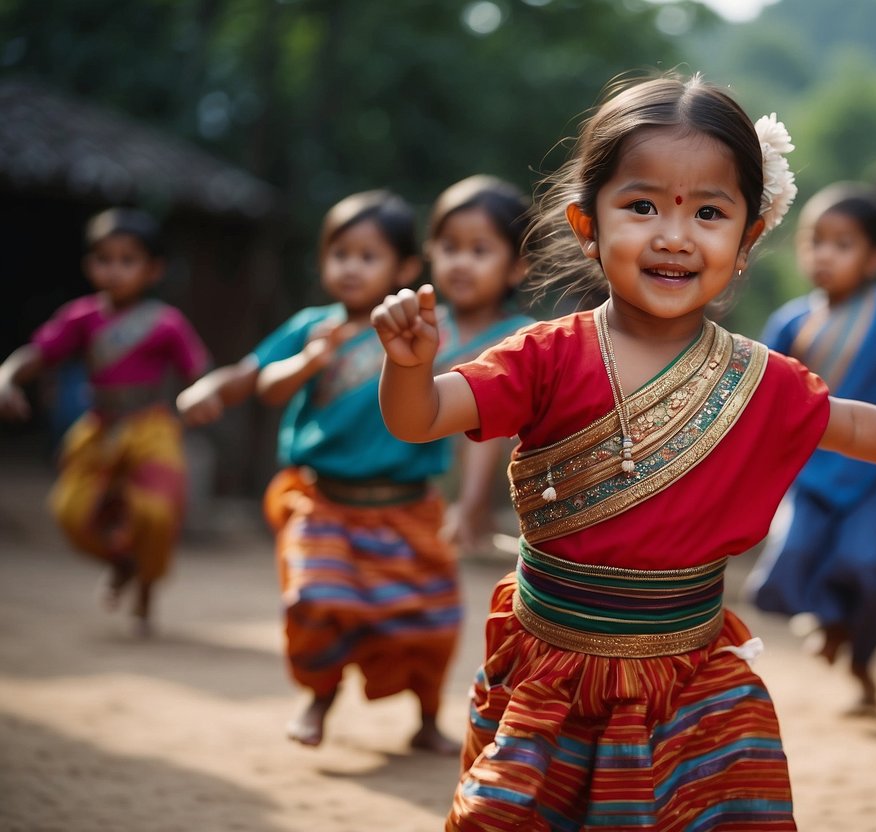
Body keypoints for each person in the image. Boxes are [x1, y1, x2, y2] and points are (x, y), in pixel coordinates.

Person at [371, 73, 876, 829]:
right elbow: (420, 419)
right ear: (586, 224)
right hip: (552, 680)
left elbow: (850, 425)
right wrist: (410, 366)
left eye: (709, 212)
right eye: (641, 206)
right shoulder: (541, 357)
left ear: (748, 239)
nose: (675, 235)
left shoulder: (758, 380)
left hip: (693, 687)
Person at [189, 190, 464, 752]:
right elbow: (259, 381)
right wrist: (287, 367)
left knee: (428, 620)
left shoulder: (429, 334)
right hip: (323, 503)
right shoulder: (312, 328)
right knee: (315, 601)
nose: (350, 268)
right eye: (339, 254)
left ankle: (428, 716)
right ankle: (318, 697)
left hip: (406, 507)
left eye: (368, 256)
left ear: (406, 268)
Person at [744, 183, 876, 714]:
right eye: (816, 241)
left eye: (843, 243)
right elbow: (762, 394)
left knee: (866, 566)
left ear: (875, 257)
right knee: (794, 554)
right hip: (808, 473)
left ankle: (863, 655)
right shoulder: (789, 322)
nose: (824, 254)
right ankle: (829, 620)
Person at [0, 208, 209, 636]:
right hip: (98, 426)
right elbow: (38, 354)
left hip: (151, 427)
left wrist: (202, 396)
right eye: (104, 259)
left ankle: (146, 594)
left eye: (127, 260)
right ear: (89, 265)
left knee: (155, 513)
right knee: (71, 509)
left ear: (153, 270)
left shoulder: (166, 323)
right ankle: (122, 563)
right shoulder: (80, 318)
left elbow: (198, 372)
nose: (114, 270)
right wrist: (5, 376)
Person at [425, 175, 535, 559]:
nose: (461, 262)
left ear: (517, 267)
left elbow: (489, 431)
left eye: (479, 250)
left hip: (492, 503)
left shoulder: (523, 339)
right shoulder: (423, 327)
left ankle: (471, 511)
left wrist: (470, 502)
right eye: (449, 247)